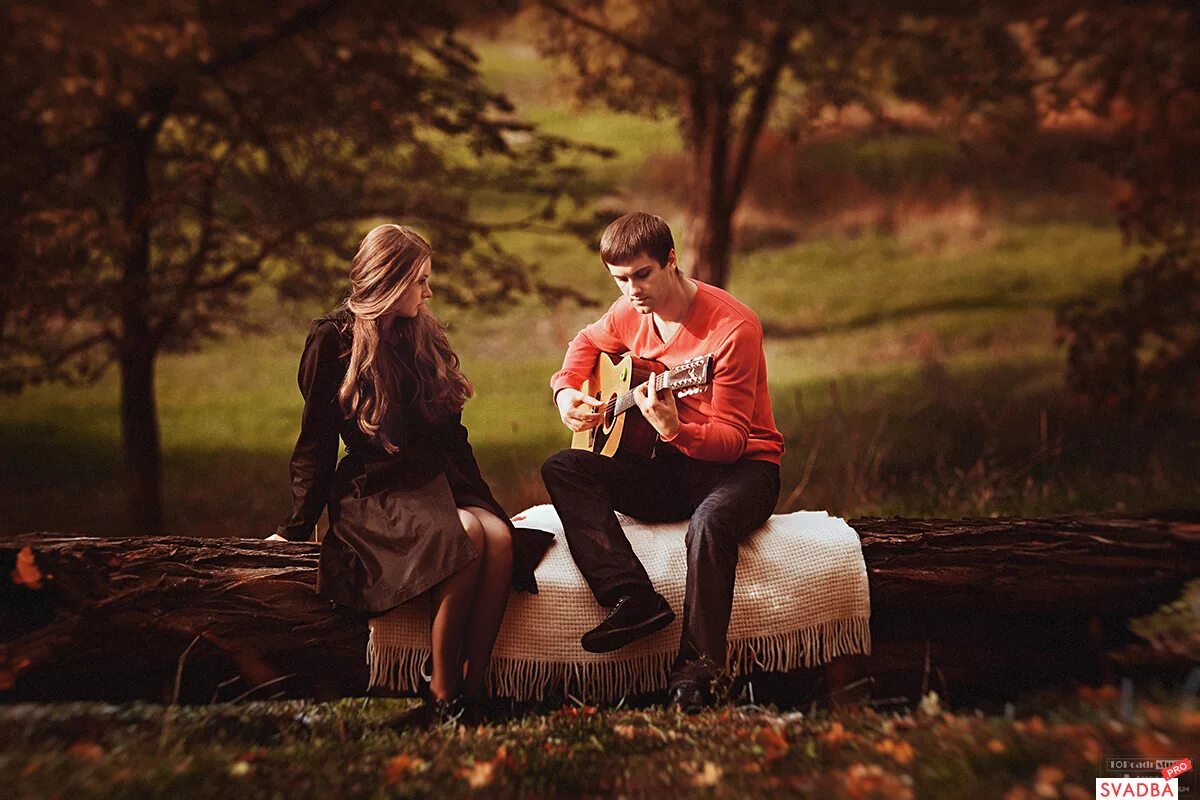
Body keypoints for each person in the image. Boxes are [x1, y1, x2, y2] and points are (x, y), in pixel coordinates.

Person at [271, 223, 551, 723]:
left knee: (499, 538)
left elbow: (452, 437)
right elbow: (314, 443)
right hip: (373, 490)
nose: (428, 291)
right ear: (391, 280)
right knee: (464, 535)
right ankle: (441, 692)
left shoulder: (421, 332)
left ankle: (475, 687)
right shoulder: (331, 339)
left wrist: (488, 503)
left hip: (433, 478)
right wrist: (295, 528)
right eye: (420, 281)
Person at [541, 211, 784, 710]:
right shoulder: (631, 311)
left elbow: (735, 441)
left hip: (744, 470)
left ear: (672, 261)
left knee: (710, 521)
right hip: (672, 465)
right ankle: (632, 598)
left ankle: (697, 675)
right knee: (562, 467)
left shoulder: (732, 327)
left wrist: (674, 428)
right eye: (620, 279)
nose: (632, 291)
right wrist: (566, 390)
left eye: (642, 275)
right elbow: (587, 341)